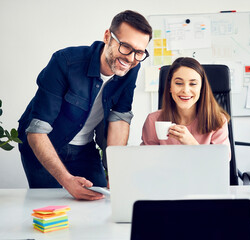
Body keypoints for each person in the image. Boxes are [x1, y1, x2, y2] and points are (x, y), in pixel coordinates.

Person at [17, 10, 152, 200]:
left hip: (84, 149)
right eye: (125, 47)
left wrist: (115, 172)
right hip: (45, 144)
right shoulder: (65, 62)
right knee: (53, 207)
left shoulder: (132, 67)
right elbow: (37, 130)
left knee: (102, 202)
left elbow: (120, 118)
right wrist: (66, 180)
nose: (130, 58)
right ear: (107, 36)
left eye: (139, 52)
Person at [141, 57, 230, 150]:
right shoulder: (153, 120)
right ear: (170, 87)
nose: (185, 90)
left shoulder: (218, 120)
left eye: (193, 84)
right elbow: (147, 159)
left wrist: (192, 144)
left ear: (201, 88)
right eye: (179, 83)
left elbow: (221, 161)